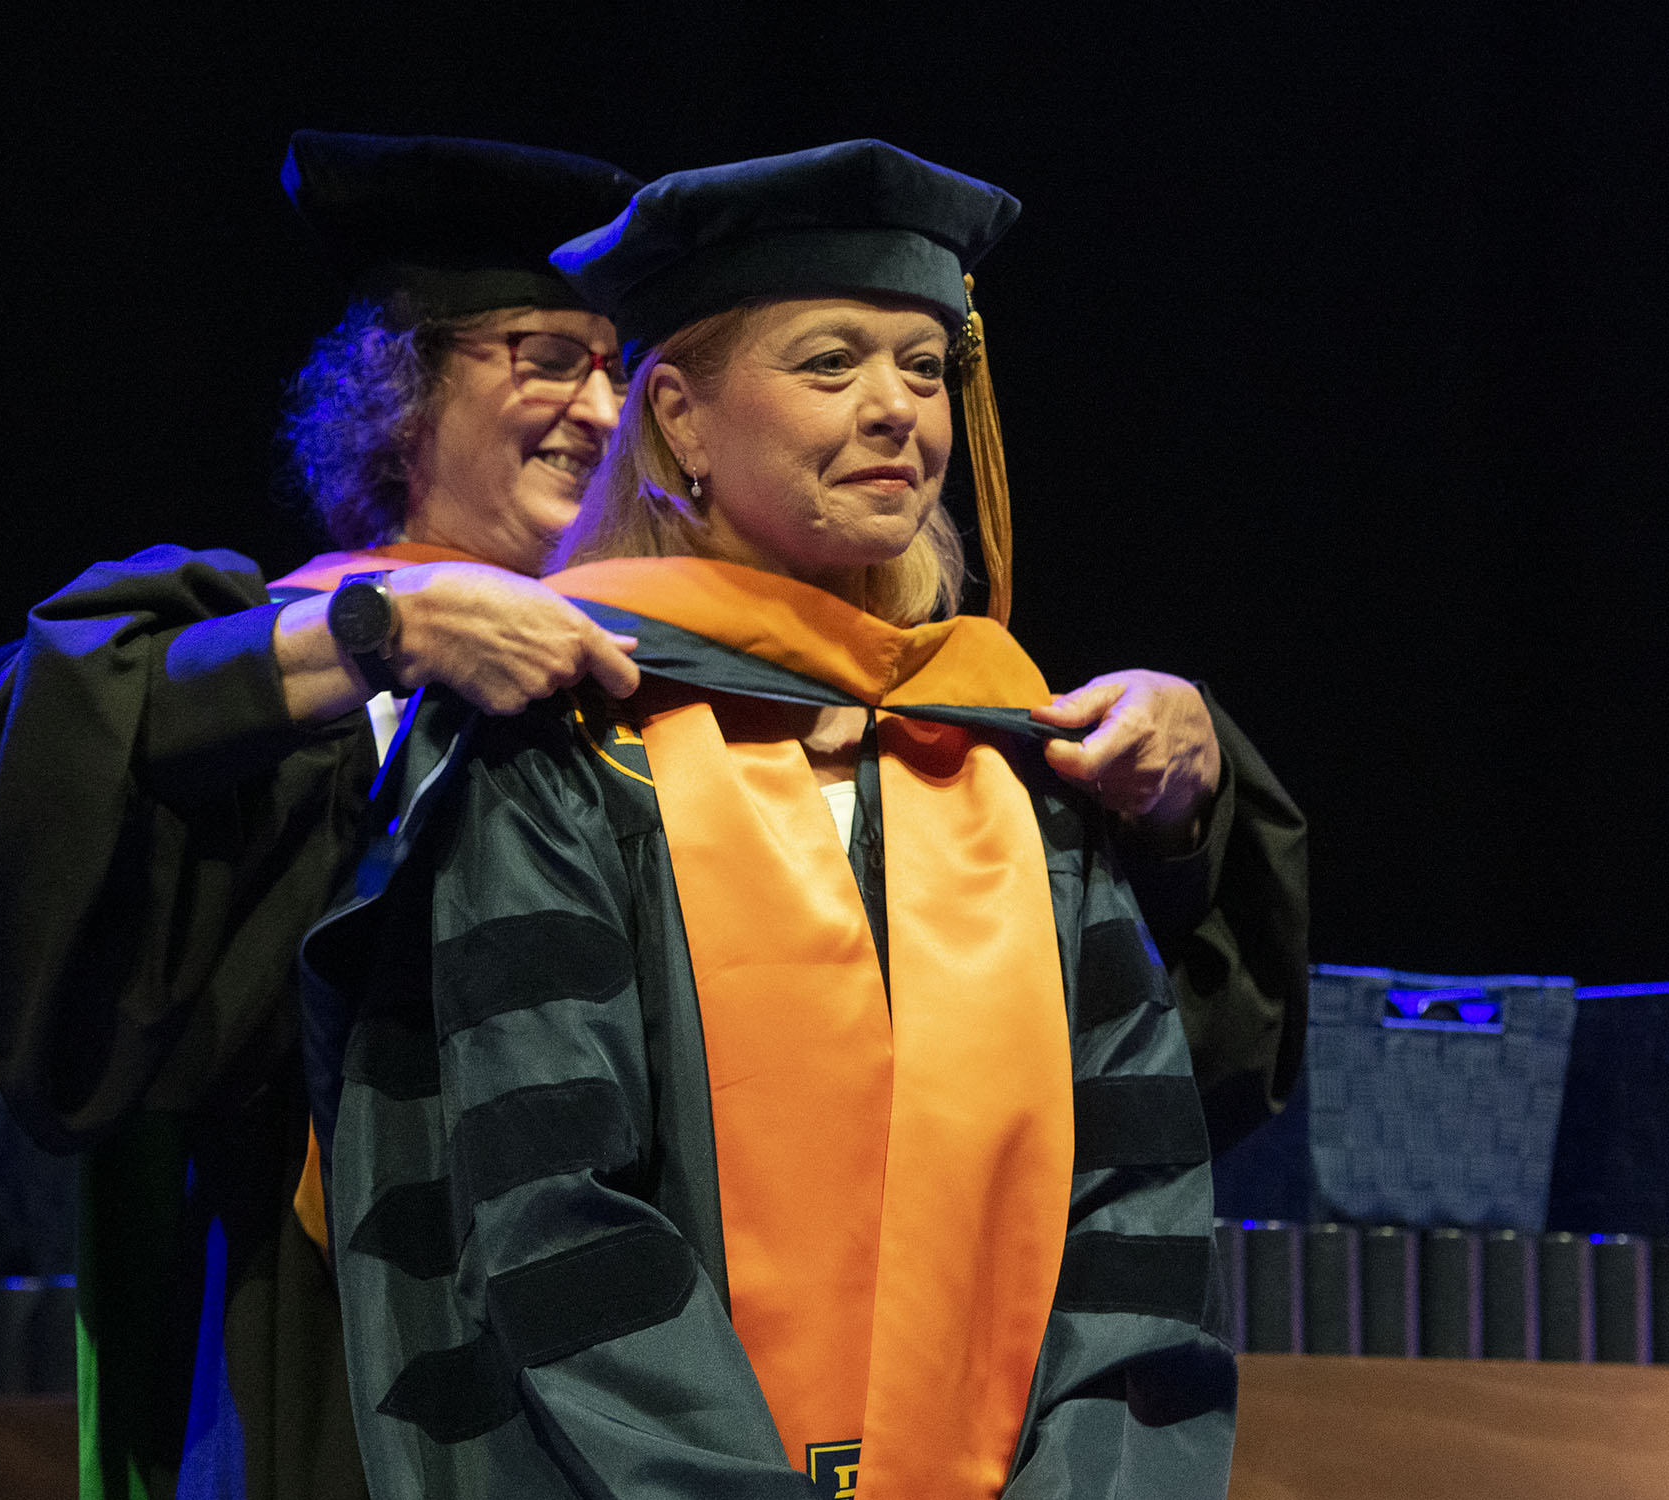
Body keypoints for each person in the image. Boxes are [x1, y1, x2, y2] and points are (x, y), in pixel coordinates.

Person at [305, 140, 1307, 1498]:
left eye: (924, 365)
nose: (899, 408)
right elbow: (551, 1216)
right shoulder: (563, 754)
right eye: (832, 363)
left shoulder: (1005, 753)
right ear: (680, 421)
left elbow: (1130, 1208)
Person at [0, 132, 645, 1500]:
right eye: (547, 355)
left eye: (621, 368)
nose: (603, 412)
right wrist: (383, 632)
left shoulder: (654, 686)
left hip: (622, 1324)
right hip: (328, 1333)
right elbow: (73, 725)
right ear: (404, 387)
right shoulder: (301, 653)